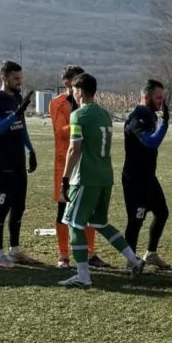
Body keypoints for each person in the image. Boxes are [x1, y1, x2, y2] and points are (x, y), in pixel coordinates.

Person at [58, 73, 144, 287]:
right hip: (106, 176)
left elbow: (74, 149)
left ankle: (83, 276)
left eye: (74, 90)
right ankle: (134, 261)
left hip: (86, 177)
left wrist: (65, 179)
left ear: (80, 91)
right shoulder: (105, 114)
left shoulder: (78, 115)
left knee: (73, 223)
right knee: (99, 222)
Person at [0, 60, 40, 268]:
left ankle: (15, 250)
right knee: (2, 209)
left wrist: (30, 149)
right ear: (4, 78)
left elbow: (21, 126)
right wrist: (15, 113)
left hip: (18, 162)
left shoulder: (17, 97)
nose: (19, 82)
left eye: (21, 78)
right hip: (3, 164)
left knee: (19, 207)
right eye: (15, 78)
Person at [49, 65, 103, 269]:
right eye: (75, 82)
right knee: (63, 211)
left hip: (86, 166)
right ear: (67, 83)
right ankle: (63, 254)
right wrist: (81, 118)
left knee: (88, 210)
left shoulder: (89, 106)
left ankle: (90, 253)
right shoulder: (57, 104)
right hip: (65, 166)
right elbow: (61, 132)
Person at [122, 79, 172, 270]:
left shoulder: (151, 115)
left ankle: (150, 254)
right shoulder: (137, 119)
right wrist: (165, 123)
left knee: (162, 213)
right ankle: (130, 262)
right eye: (158, 97)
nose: (161, 101)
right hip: (135, 181)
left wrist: (161, 122)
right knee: (136, 221)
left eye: (162, 97)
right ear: (146, 96)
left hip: (149, 178)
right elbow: (151, 142)